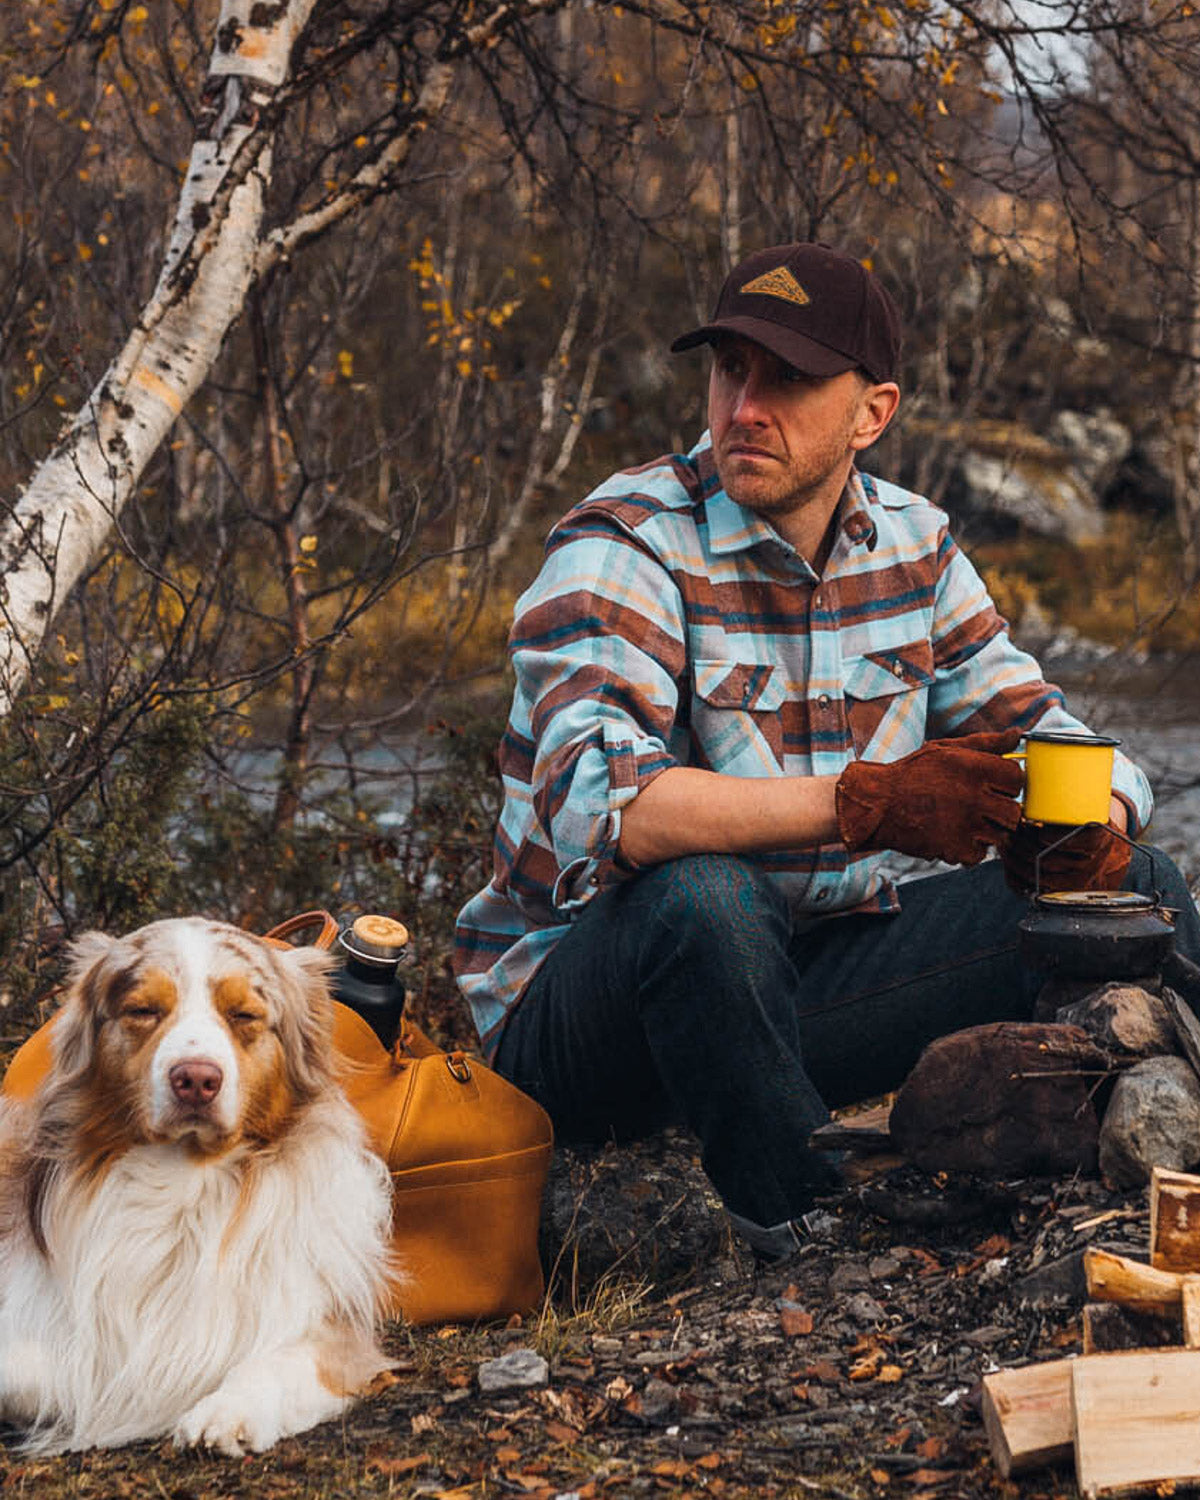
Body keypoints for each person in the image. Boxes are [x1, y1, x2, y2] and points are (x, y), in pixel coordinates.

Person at [453, 242, 1200, 1259]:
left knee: (1143, 885)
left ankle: (1179, 1173)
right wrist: (867, 802)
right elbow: (604, 810)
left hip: (805, 986)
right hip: (584, 1017)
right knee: (709, 896)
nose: (744, 406)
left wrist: (1090, 825)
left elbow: (1050, 729)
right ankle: (817, 1227)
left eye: (789, 380)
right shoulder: (624, 541)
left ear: (871, 412)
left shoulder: (915, 544)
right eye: (729, 369)